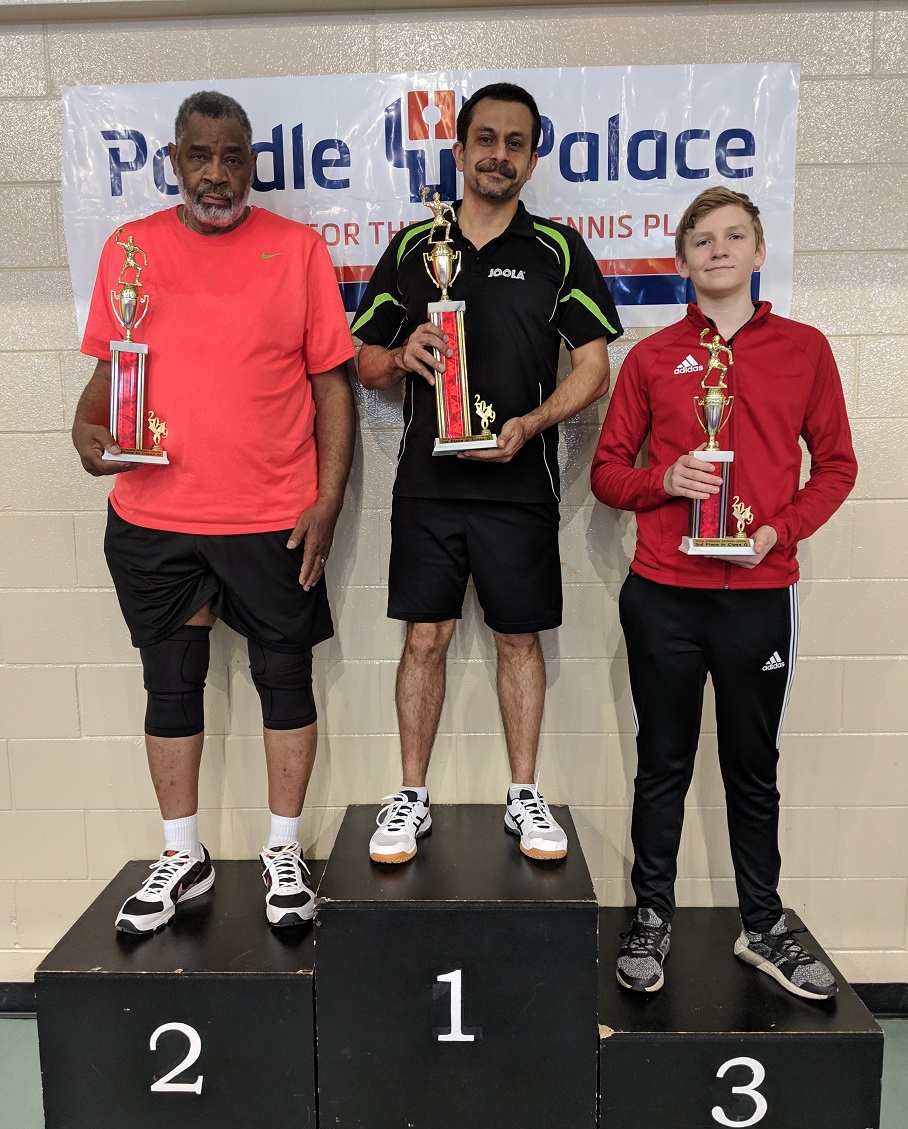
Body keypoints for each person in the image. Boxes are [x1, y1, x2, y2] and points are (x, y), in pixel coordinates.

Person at [72, 91, 355, 932]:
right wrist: (86, 431)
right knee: (171, 686)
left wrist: (329, 500)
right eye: (201, 156)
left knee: (284, 681)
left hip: (273, 517)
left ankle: (283, 852)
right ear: (175, 161)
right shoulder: (129, 251)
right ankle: (181, 856)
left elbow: (331, 385)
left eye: (233, 157)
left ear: (252, 165)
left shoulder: (297, 250)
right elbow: (108, 373)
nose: (217, 174)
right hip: (155, 519)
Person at [591, 186, 857, 1000]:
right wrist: (663, 480)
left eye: (734, 237)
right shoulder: (651, 358)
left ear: (759, 250)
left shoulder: (806, 350)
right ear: (682, 260)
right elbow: (607, 473)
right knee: (661, 765)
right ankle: (651, 918)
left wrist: (781, 529)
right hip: (664, 593)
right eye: (702, 240)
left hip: (759, 594)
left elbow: (837, 466)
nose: (718, 251)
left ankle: (763, 926)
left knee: (753, 768)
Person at [352, 82, 622, 864]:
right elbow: (363, 361)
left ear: (532, 160)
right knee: (424, 638)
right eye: (486, 139)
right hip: (428, 486)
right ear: (460, 149)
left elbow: (594, 369)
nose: (499, 155)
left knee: (518, 640)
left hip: (520, 484)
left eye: (515, 143)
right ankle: (410, 796)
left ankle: (523, 794)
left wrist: (532, 425)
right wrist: (401, 355)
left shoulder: (559, 250)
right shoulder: (414, 247)